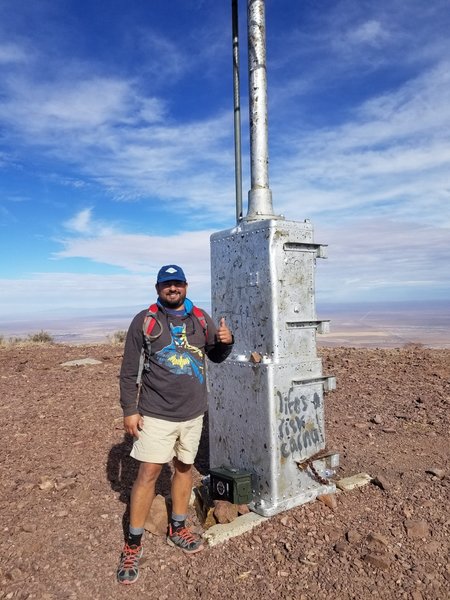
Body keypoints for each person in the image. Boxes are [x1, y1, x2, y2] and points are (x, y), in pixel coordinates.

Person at [116, 264, 233, 585]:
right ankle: (133, 542)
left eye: (177, 283)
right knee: (149, 473)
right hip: (155, 413)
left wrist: (226, 341)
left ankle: (178, 527)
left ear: (185, 285)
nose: (173, 289)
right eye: (167, 284)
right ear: (157, 288)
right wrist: (129, 408)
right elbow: (129, 371)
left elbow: (216, 356)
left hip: (193, 413)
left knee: (184, 468)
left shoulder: (199, 317)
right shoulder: (145, 320)